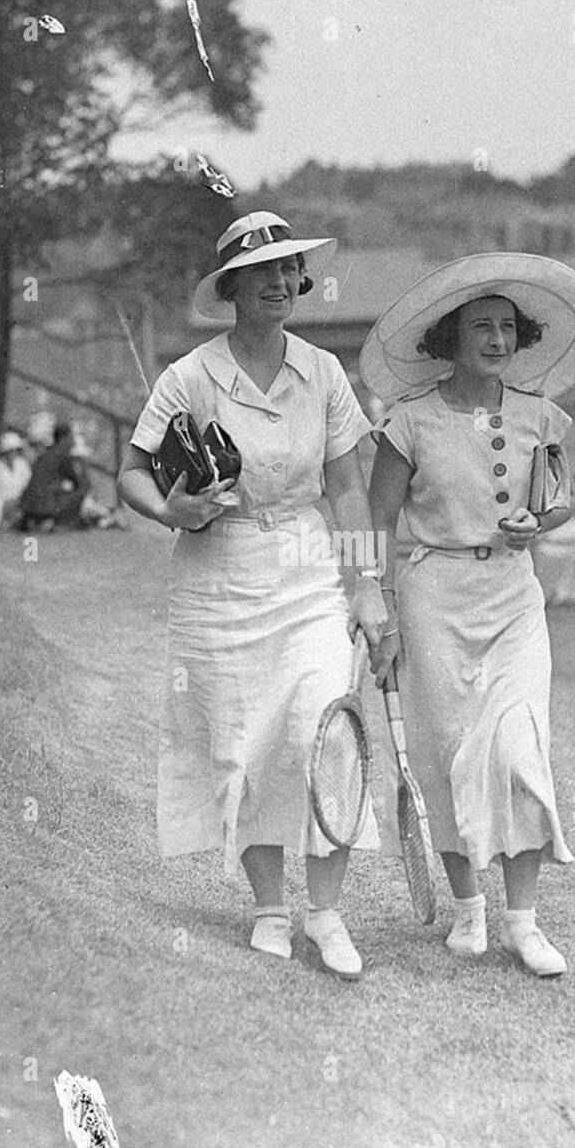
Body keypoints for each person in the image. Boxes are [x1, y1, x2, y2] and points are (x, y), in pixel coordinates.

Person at [117, 211, 388, 980]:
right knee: (247, 740)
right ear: (231, 288)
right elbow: (132, 471)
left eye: (287, 270)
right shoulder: (191, 376)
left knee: (326, 729)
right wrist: (171, 509)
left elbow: (346, 486)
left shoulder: (324, 372)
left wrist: (366, 584)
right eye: (260, 272)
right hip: (218, 572)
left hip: (304, 568)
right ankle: (271, 908)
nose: (278, 283)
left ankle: (327, 913)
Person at [364, 253, 575, 977]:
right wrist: (376, 608)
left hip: (513, 596)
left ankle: (523, 923)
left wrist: (544, 521)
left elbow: (560, 498)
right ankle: (469, 911)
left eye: (507, 327)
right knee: (443, 755)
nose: (496, 339)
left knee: (517, 747)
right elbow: (375, 522)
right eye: (481, 327)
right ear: (450, 338)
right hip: (433, 597)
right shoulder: (407, 422)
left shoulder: (541, 415)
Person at [19, 421, 89, 531]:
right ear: (63, 438)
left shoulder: (46, 454)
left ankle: (36, 520)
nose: (72, 441)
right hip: (45, 504)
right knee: (83, 488)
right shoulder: (63, 455)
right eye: (71, 437)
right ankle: (61, 522)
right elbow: (78, 482)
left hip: (28, 504)